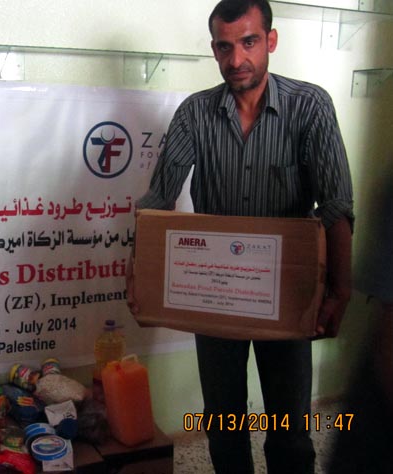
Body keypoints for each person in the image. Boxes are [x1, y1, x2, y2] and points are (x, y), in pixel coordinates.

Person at [126, 1, 354, 473]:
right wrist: (138, 276)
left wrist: (340, 289)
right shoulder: (195, 113)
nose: (237, 60)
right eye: (225, 47)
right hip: (216, 293)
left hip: (287, 292)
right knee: (224, 425)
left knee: (290, 432)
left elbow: (336, 206)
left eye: (249, 42)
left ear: (270, 40)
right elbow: (158, 199)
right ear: (214, 49)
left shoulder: (310, 106)